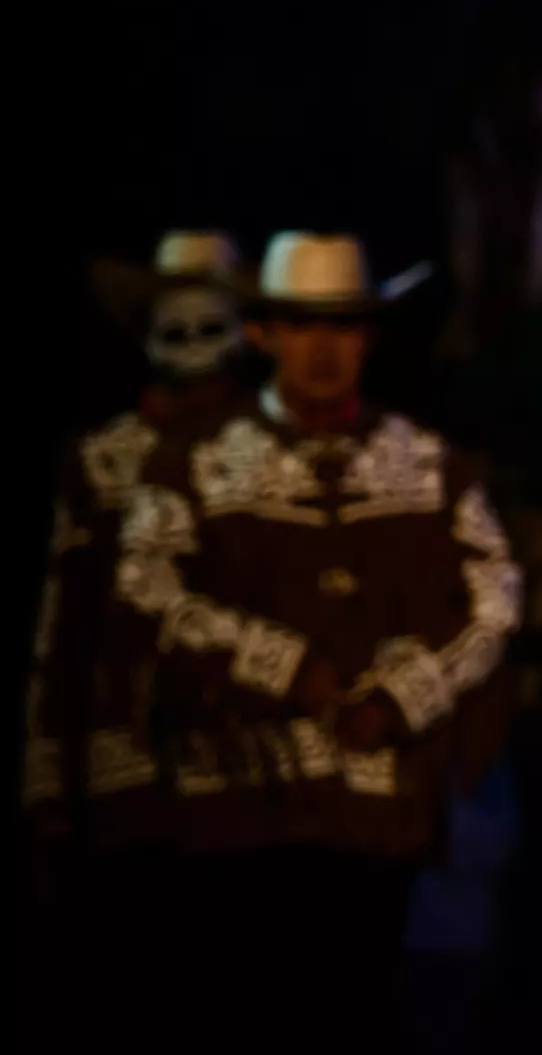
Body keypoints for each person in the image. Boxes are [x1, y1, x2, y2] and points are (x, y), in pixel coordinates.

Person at [108, 231, 520, 1054]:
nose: (323, 348)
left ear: (368, 335)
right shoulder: (192, 462)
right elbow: (144, 587)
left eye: (343, 325)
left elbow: (496, 601)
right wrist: (281, 668)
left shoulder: (432, 465)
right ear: (261, 334)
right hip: (236, 805)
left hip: (378, 815)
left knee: (362, 1014)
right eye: (302, 324)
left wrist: (404, 698)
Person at [20, 231, 250, 1045]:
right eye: (173, 328)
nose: (193, 352)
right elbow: (64, 621)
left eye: (209, 325)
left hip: (249, 779)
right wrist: (45, 783)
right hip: (127, 775)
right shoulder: (102, 458)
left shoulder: (274, 451)